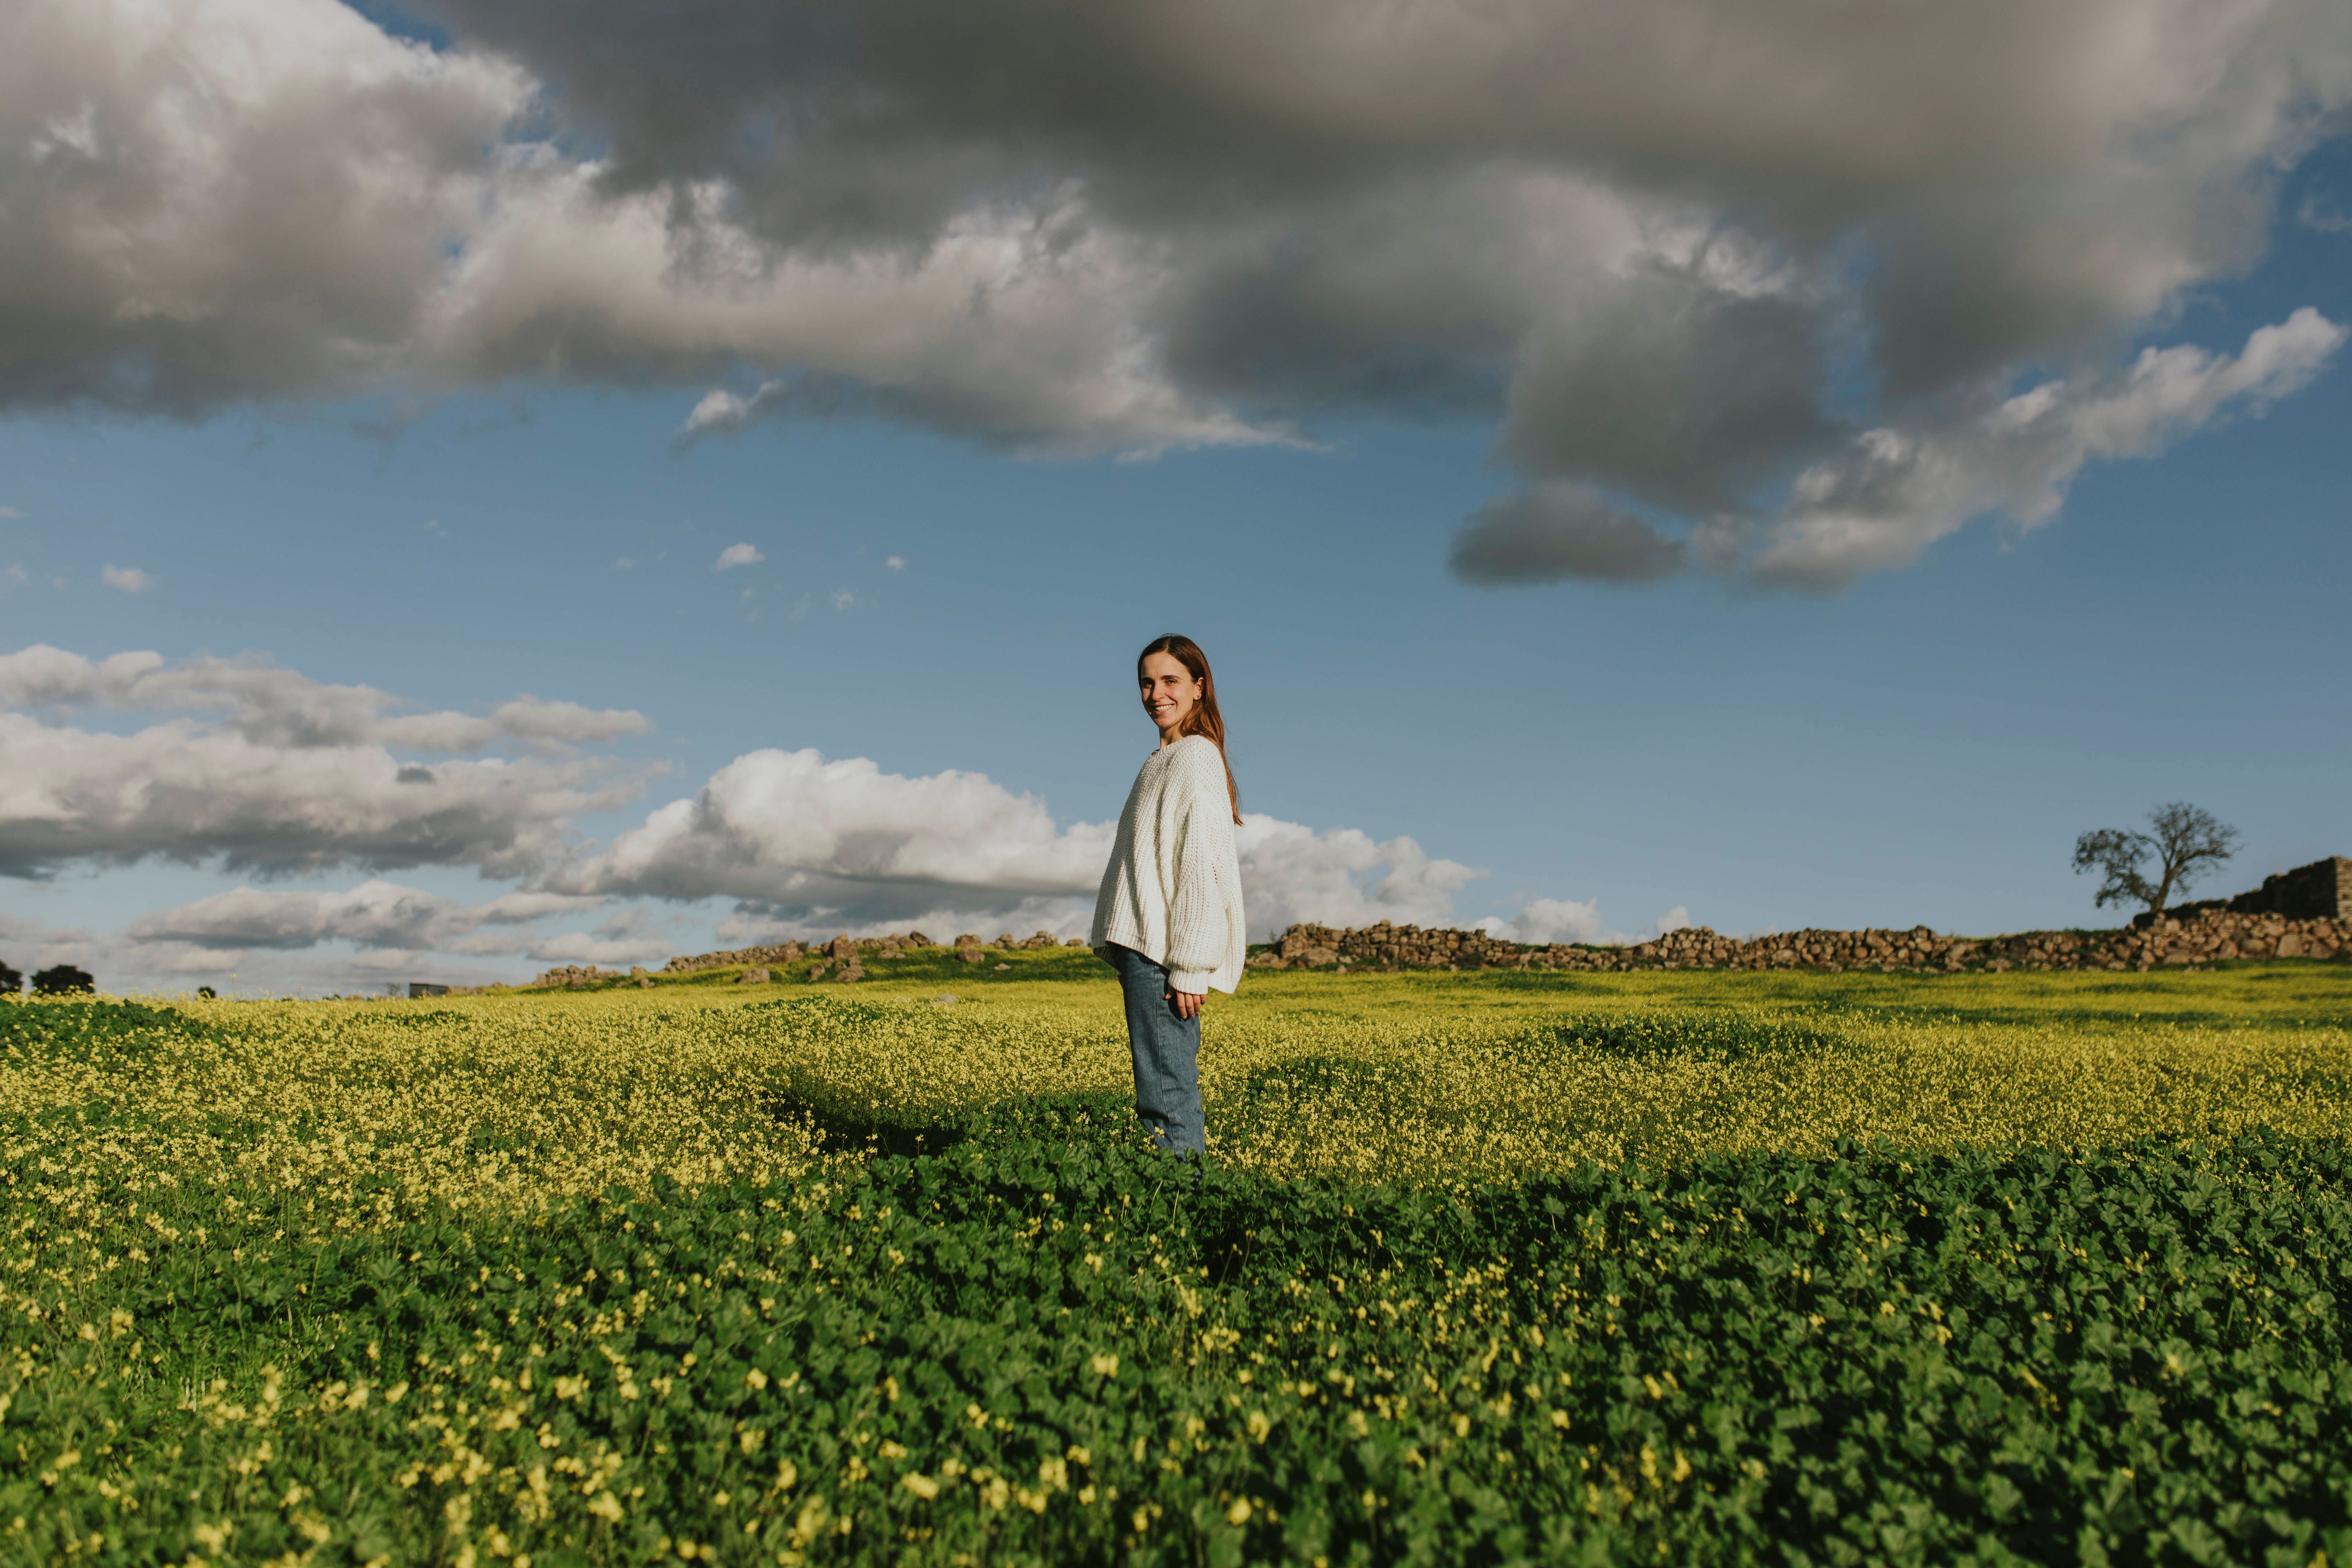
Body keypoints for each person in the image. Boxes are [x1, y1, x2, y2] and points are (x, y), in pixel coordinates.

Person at [1089, 634, 1247, 1157]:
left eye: (1170, 681)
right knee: (1158, 1091)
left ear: (1199, 688)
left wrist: (1192, 966)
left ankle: (1182, 1197)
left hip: (1164, 957)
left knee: (1166, 1095)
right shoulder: (1160, 760)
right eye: (1147, 683)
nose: (1156, 694)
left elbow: (1200, 865)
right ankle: (1171, 1193)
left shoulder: (1196, 757)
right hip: (1145, 951)